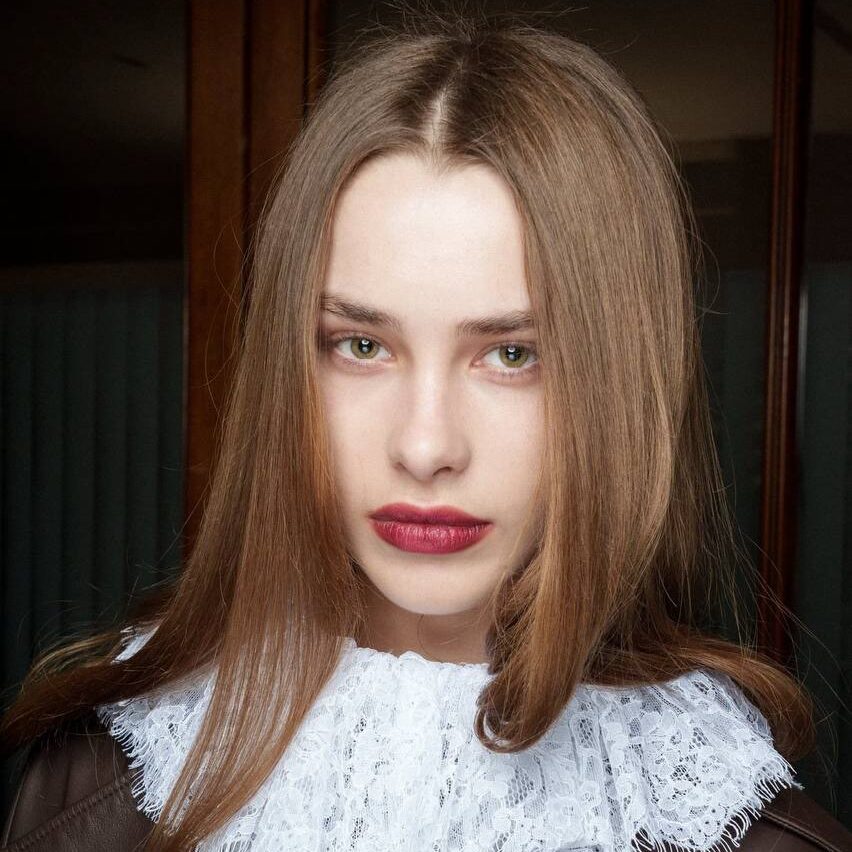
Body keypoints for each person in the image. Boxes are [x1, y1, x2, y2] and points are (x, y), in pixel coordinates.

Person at [1, 7, 850, 852]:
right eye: (362, 346)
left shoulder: (730, 821)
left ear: (618, 389)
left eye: (512, 354)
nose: (425, 447)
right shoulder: (101, 783)